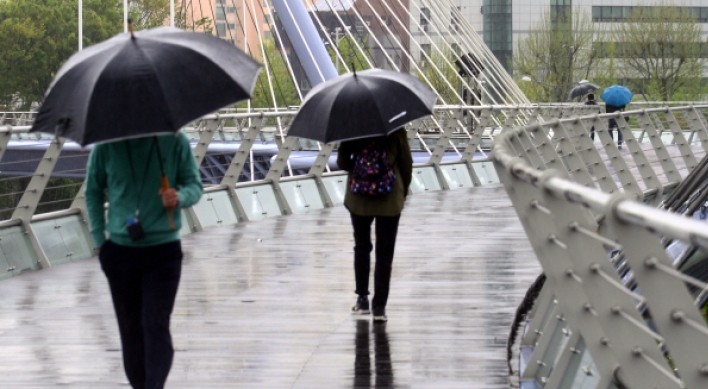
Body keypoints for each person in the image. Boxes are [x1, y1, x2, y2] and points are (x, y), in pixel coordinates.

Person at [85, 132, 203, 389]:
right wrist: (99, 241)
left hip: (163, 251)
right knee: (130, 332)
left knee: (155, 323)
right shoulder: (106, 145)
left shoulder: (175, 141)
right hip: (119, 252)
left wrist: (179, 197)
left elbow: (195, 185)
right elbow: (92, 191)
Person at [336, 127, 413, 322]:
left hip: (359, 198)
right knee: (385, 252)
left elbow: (342, 163)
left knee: (362, 247)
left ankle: (362, 300)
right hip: (390, 196)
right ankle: (379, 307)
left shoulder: (353, 128)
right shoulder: (396, 130)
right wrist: (404, 190)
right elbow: (406, 163)